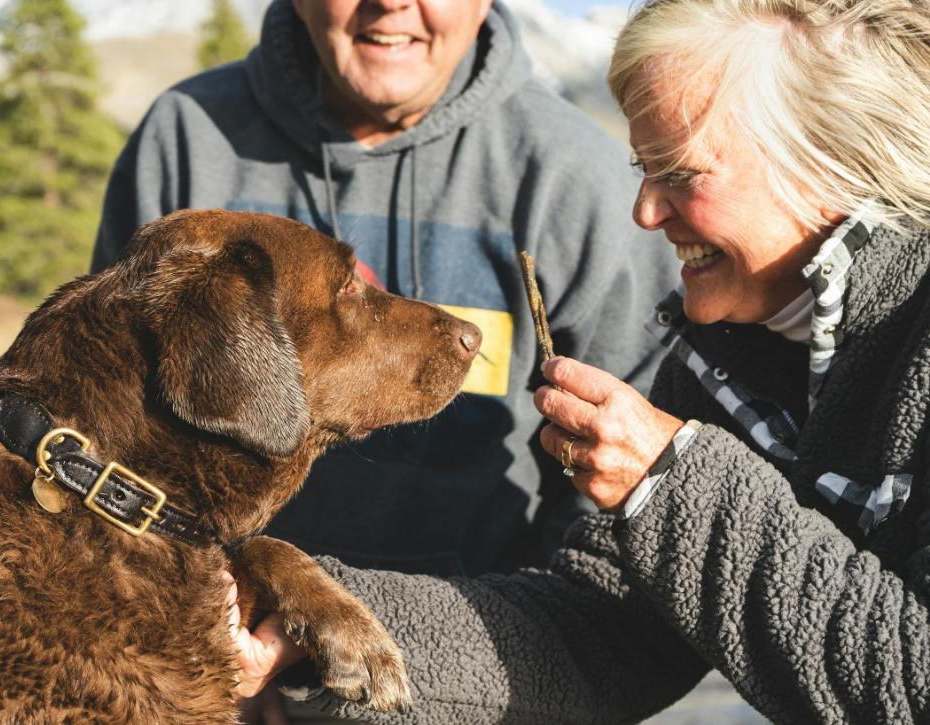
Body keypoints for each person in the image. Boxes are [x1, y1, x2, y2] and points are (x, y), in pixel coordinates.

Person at [229, 0, 930, 722]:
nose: (645, 211)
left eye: (681, 172)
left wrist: (673, 482)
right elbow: (594, 636)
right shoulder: (720, 362)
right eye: (642, 168)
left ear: (838, 158)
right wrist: (321, 629)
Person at [92, 4, 673, 610]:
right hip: (224, 659)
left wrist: (514, 665)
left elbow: (624, 487)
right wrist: (199, 644)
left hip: (487, 657)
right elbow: (110, 435)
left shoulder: (577, 179)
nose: (392, 2)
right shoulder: (187, 140)